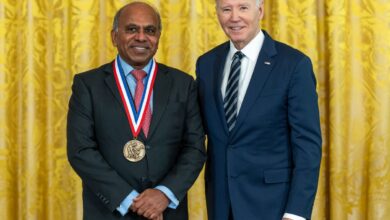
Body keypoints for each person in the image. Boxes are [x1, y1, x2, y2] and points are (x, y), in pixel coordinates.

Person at [67, 2, 206, 220]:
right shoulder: (88, 85)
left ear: (158, 37)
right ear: (114, 36)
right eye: (132, 29)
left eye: (149, 30)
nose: (141, 37)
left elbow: (194, 148)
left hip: (167, 212)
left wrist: (163, 194)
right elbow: (81, 151)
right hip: (110, 212)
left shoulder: (183, 84)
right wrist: (130, 199)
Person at [196, 0, 322, 219]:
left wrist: (296, 212)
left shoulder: (293, 64)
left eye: (243, 8)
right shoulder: (206, 64)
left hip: (274, 205)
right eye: (226, 9)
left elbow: (307, 145)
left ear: (260, 11)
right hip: (221, 204)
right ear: (217, 13)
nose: (234, 17)